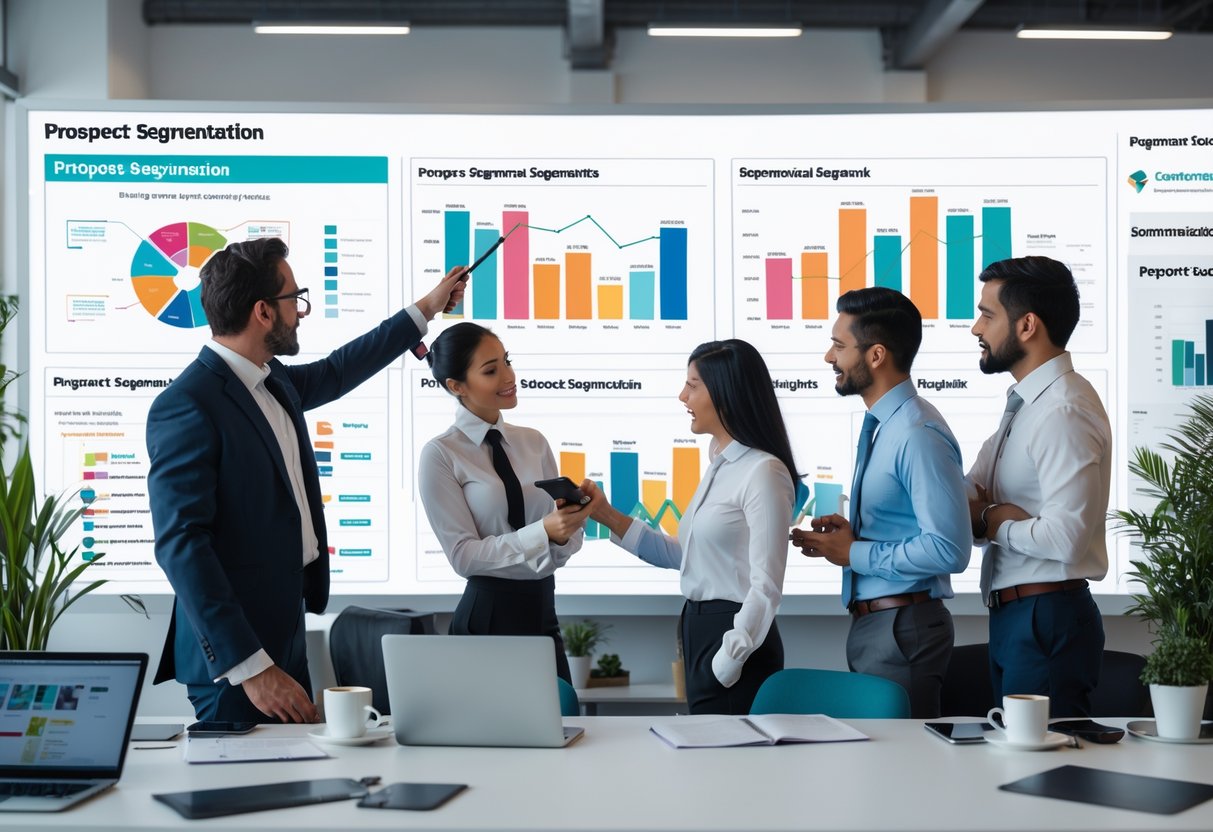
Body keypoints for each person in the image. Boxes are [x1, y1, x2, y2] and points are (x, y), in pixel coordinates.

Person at [147, 237, 465, 723]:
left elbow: (340, 369)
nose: (302, 310)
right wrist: (251, 667)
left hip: (286, 634)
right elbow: (182, 544)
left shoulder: (273, 381)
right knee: (238, 796)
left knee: (294, 786)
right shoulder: (189, 404)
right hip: (239, 664)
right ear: (263, 312)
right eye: (295, 298)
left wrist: (427, 307)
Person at [582, 340, 798, 715]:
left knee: (733, 765)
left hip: (734, 641)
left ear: (726, 393)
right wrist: (605, 515)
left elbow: (766, 586)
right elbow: (684, 555)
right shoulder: (719, 464)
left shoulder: (763, 472)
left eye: (693, 385)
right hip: (699, 632)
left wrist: (728, 660)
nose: (683, 395)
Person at [792, 287, 970, 719]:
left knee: (902, 774)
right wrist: (851, 538)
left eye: (839, 346)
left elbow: (950, 549)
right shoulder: (884, 426)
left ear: (875, 356)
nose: (828, 358)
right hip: (881, 626)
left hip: (902, 629)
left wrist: (854, 552)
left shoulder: (915, 433)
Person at [966, 256, 1111, 717]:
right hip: (1018, 615)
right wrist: (988, 515)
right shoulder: (1026, 404)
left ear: (1027, 325)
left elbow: (1066, 538)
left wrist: (994, 522)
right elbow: (970, 494)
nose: (976, 328)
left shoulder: (1063, 411)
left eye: (988, 315)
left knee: (1046, 777)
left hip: (1046, 616)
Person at [418, 322, 591, 683]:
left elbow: (557, 546)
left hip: (543, 610)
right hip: (487, 617)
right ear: (456, 386)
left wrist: (562, 534)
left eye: (507, 361)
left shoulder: (533, 442)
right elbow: (464, 556)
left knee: (558, 724)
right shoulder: (441, 454)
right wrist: (541, 531)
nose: (509, 376)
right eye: (491, 370)